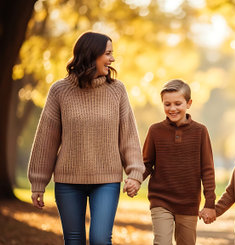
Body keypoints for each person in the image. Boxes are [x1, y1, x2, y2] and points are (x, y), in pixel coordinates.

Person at [28, 31, 145, 245]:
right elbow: (46, 139)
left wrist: (135, 173)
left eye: (112, 54)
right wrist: (38, 182)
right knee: (74, 241)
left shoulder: (117, 90)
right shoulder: (59, 90)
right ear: (92, 54)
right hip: (68, 181)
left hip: (107, 180)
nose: (112, 59)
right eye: (108, 53)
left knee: (100, 239)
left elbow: (128, 135)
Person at [142, 79, 216, 245]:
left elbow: (207, 170)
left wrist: (210, 203)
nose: (172, 108)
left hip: (188, 203)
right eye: (167, 104)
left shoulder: (200, 131)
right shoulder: (155, 131)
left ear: (188, 103)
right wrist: (135, 178)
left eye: (178, 103)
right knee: (161, 242)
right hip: (160, 199)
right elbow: (146, 163)